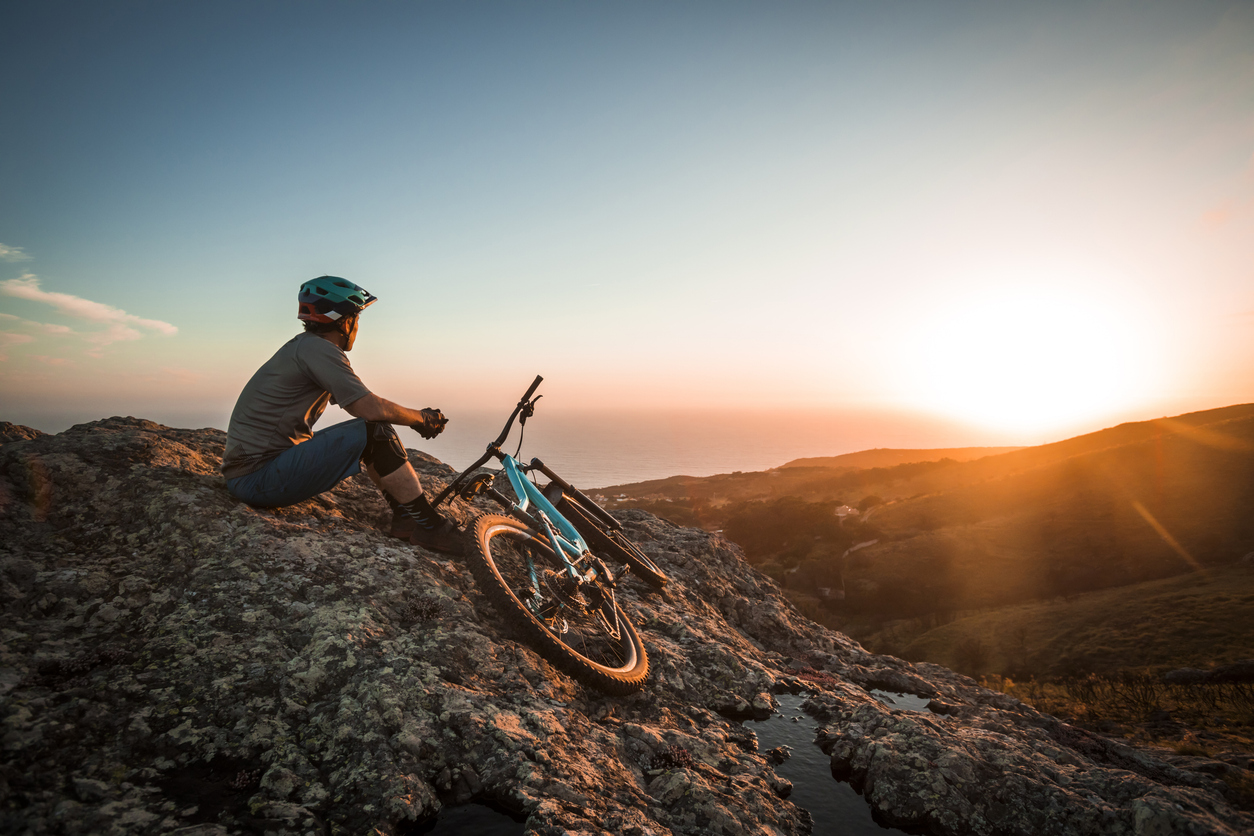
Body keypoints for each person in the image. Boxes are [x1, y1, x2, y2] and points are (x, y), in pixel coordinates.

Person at [220, 276, 462, 553]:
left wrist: (415, 418)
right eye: (356, 318)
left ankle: (407, 518)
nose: (357, 326)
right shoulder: (318, 350)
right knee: (374, 430)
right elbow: (368, 408)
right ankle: (431, 527)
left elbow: (362, 403)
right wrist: (422, 419)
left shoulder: (306, 347)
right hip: (258, 479)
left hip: (253, 474)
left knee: (368, 431)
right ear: (345, 321)